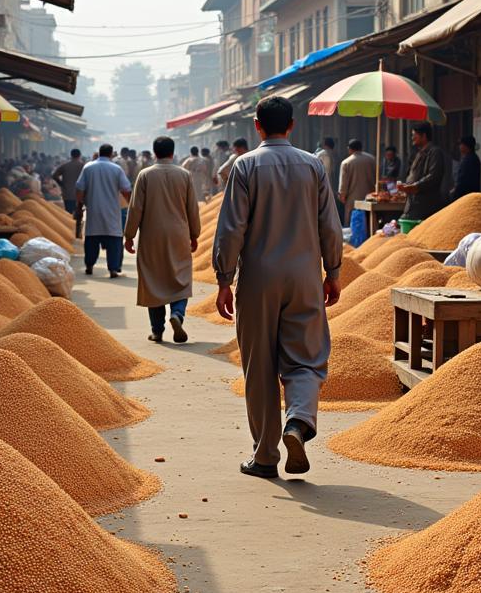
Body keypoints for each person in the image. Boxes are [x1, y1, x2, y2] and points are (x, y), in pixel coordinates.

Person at [212, 95, 342, 479]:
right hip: (304, 276)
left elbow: (231, 228)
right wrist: (333, 271)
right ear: (292, 125)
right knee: (306, 356)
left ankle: (266, 455)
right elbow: (330, 226)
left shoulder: (245, 166)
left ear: (257, 125)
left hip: (258, 278)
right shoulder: (313, 165)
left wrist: (224, 279)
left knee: (260, 365)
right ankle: (298, 422)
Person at [124, 135, 201, 344]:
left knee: (153, 279)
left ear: (155, 152)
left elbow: (135, 208)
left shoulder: (145, 175)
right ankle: (177, 313)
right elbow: (192, 208)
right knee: (180, 276)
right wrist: (195, 234)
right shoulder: (184, 175)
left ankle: (157, 330)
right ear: (172, 152)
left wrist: (129, 235)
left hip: (151, 234)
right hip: (178, 234)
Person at [76, 144, 132, 277]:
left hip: (93, 210)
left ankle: (89, 265)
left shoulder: (88, 167)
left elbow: (79, 189)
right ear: (111, 154)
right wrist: (130, 205)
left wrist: (79, 206)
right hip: (112, 210)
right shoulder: (116, 169)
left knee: (91, 240)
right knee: (114, 240)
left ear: (99, 153)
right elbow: (126, 189)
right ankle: (113, 268)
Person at [398, 123, 447, 221]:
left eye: (414, 135)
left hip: (426, 206)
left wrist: (415, 186)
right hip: (413, 204)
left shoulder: (434, 152)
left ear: (423, 136)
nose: (412, 138)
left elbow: (433, 176)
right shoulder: (419, 153)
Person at [338, 138, 377, 224]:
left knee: (354, 226)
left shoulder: (346, 162)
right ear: (361, 148)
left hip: (352, 200)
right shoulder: (372, 159)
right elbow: (377, 178)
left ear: (349, 149)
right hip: (370, 198)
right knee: (369, 224)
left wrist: (342, 196)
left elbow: (343, 184)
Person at [52, 149, 85, 215]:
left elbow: (54, 175)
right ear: (80, 156)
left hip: (68, 194)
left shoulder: (65, 166)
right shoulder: (84, 166)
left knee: (68, 213)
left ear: (71, 155)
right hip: (80, 194)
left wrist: (61, 184)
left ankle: (69, 225)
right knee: (80, 214)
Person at [451, 136, 481, 200]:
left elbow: (463, 180)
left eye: (461, 144)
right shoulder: (471, 158)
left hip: (466, 195)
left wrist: (455, 191)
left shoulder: (469, 160)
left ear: (466, 146)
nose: (460, 147)